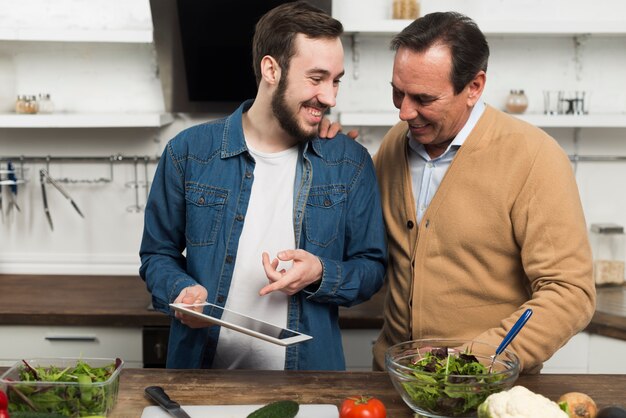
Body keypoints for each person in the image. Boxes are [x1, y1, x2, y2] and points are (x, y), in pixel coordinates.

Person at [324, 11, 595, 373]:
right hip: (392, 383)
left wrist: (468, 363)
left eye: (423, 98)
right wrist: (332, 164)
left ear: (474, 87)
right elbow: (355, 244)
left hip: (485, 386)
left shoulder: (533, 157)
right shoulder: (392, 147)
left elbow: (570, 293)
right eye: (397, 92)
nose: (405, 112)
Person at [139, 1, 386, 371]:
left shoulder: (349, 162)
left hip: (308, 382)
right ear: (271, 69)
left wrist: (321, 272)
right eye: (316, 79)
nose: (331, 97)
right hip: (200, 376)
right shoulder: (188, 152)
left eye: (336, 81)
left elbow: (372, 267)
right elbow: (157, 254)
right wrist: (180, 292)